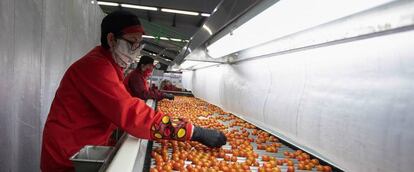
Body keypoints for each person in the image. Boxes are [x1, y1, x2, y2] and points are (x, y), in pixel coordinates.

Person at [40, 10, 226, 172]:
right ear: (111, 39)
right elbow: (130, 113)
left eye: (139, 44)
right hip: (69, 153)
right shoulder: (96, 67)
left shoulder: (110, 65)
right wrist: (194, 132)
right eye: (132, 43)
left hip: (83, 143)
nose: (136, 50)